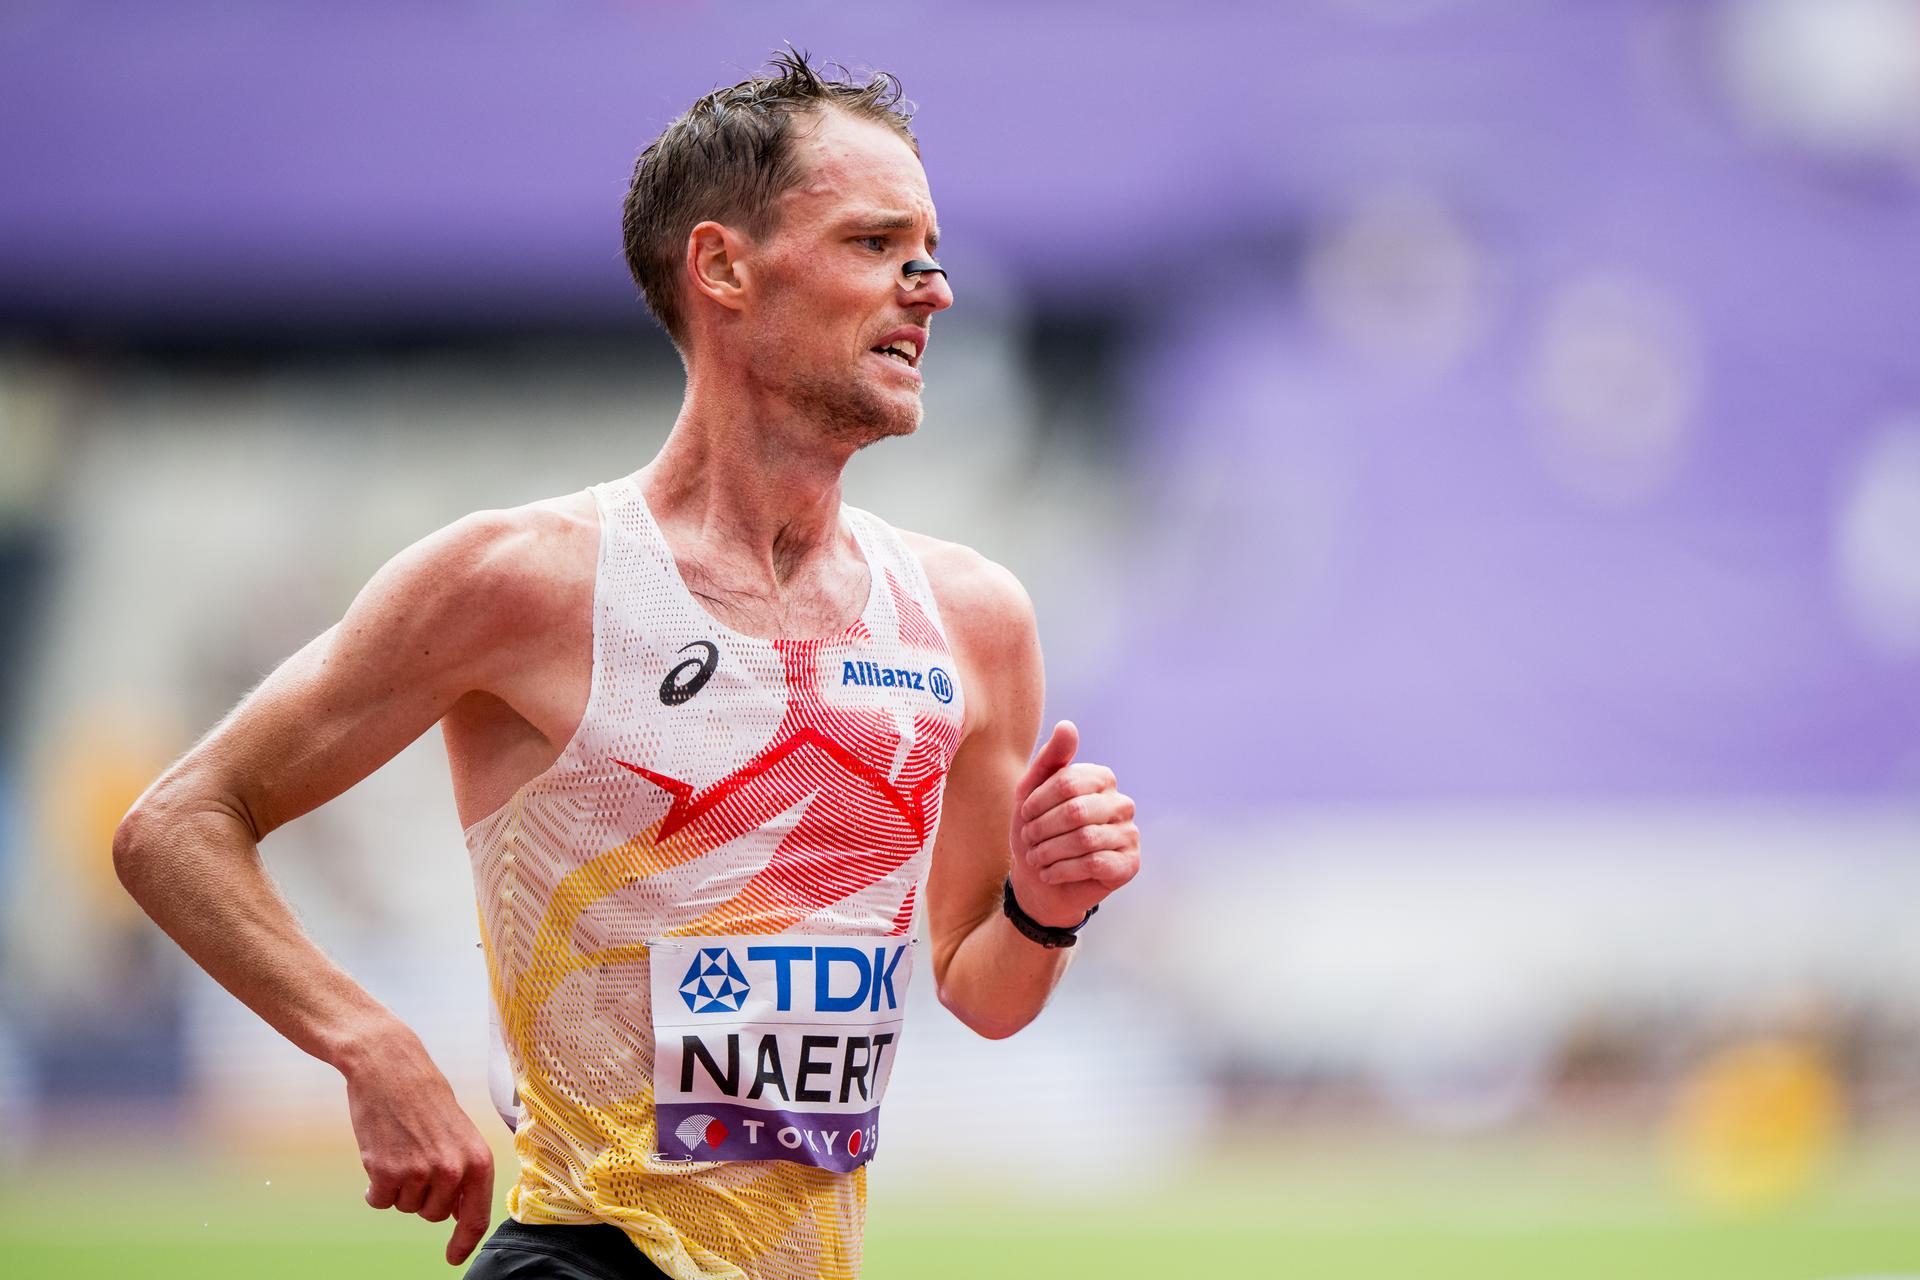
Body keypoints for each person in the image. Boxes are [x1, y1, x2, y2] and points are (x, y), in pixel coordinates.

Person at [113, 50, 1140, 1280]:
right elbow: (176, 823)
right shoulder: (523, 581)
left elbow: (984, 988)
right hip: (583, 1257)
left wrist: (1043, 901)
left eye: (930, 247)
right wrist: (369, 1043)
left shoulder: (973, 617)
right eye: (877, 244)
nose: (934, 289)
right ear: (722, 268)